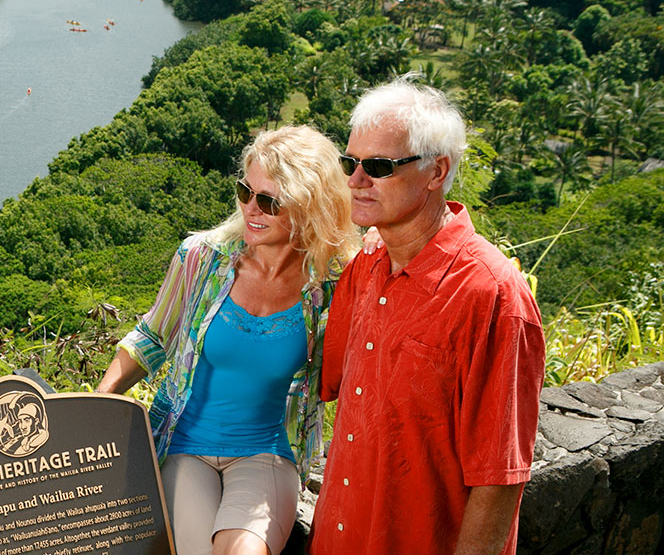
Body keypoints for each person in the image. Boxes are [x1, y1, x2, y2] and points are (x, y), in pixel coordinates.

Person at [97, 125, 361, 555]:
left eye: (270, 201)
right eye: (245, 192)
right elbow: (151, 337)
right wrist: (96, 402)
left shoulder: (332, 287)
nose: (252, 209)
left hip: (269, 452)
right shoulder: (201, 257)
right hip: (183, 445)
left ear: (310, 205)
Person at [311, 77, 545, 555]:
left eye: (378, 166)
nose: (355, 180)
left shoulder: (492, 297)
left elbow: (500, 476)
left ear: (436, 172)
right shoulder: (368, 268)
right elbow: (325, 378)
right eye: (350, 162)